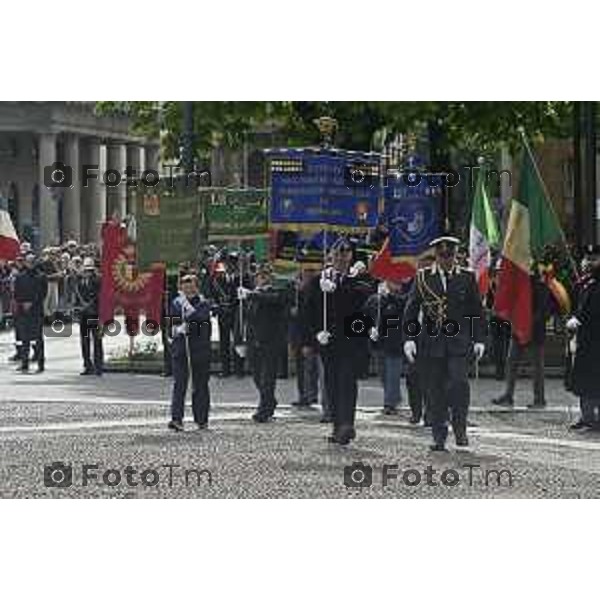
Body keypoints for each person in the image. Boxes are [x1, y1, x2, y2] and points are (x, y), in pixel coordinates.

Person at [403, 236, 486, 451]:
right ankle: (438, 434)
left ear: (456, 255)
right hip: (431, 343)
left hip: (459, 342)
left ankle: (460, 428)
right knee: (434, 390)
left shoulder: (466, 278)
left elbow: (476, 311)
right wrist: (409, 339)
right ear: (436, 256)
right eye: (442, 256)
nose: (446, 260)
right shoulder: (423, 278)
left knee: (459, 384)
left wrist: (479, 339)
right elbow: (411, 311)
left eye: (450, 255)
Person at [301, 237, 375, 444]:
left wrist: (339, 288)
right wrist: (311, 338)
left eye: (346, 253)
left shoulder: (359, 279)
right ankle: (336, 424)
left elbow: (363, 300)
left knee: (347, 381)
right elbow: (307, 312)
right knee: (331, 382)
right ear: (331, 255)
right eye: (338, 253)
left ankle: (347, 424)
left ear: (351, 256)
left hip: (351, 342)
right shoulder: (318, 281)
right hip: (327, 341)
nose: (341, 257)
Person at [491, 264, 558, 409]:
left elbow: (545, 309)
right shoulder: (520, 284)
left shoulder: (541, 285)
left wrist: (531, 322)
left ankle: (539, 399)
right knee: (511, 362)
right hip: (519, 328)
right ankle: (508, 396)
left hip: (535, 330)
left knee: (537, 366)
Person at [240, 263, 290, 423]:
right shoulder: (250, 295)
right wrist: (239, 340)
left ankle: (264, 410)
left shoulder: (277, 292)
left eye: (265, 275)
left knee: (267, 378)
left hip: (271, 341)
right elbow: (241, 319)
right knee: (256, 376)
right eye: (260, 276)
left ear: (271, 277)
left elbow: (274, 300)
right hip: (253, 341)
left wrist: (251, 295)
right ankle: (269, 401)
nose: (262, 278)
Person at [168, 274, 212, 432]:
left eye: (189, 283)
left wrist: (188, 309)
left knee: (200, 386)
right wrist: (177, 329)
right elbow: (171, 327)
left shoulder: (204, 303)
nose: (186, 286)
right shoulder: (176, 304)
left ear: (196, 285)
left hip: (199, 350)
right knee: (179, 385)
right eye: (183, 283)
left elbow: (201, 320)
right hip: (181, 350)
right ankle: (176, 419)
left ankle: (201, 419)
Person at [365, 277, 409, 415]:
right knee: (383, 374)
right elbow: (366, 315)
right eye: (392, 282)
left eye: (397, 282)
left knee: (393, 375)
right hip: (379, 343)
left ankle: (390, 403)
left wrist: (389, 297)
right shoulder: (375, 299)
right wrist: (370, 329)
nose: (395, 285)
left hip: (395, 343)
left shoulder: (403, 299)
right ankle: (393, 398)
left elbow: (403, 307)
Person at [567, 246, 600, 430]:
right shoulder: (584, 283)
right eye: (587, 259)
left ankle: (593, 417)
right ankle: (586, 415)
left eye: (594, 259)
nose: (589, 263)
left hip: (596, 341)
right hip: (584, 341)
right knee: (582, 379)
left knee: (594, 380)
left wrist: (579, 319)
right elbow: (578, 305)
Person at [289, 267, 320, 408]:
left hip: (310, 334)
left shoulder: (316, 288)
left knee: (310, 367)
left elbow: (311, 314)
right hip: (297, 333)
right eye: (305, 271)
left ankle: (309, 395)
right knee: (301, 367)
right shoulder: (294, 289)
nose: (307, 274)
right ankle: (305, 394)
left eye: (310, 271)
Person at [76, 257, 103, 376]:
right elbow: (77, 298)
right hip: (84, 315)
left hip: (95, 314)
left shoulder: (98, 281)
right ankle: (87, 365)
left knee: (97, 340)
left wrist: (90, 304)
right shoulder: (80, 282)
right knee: (85, 340)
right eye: (86, 270)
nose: (88, 273)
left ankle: (98, 366)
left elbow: (100, 296)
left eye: (90, 270)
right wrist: (79, 307)